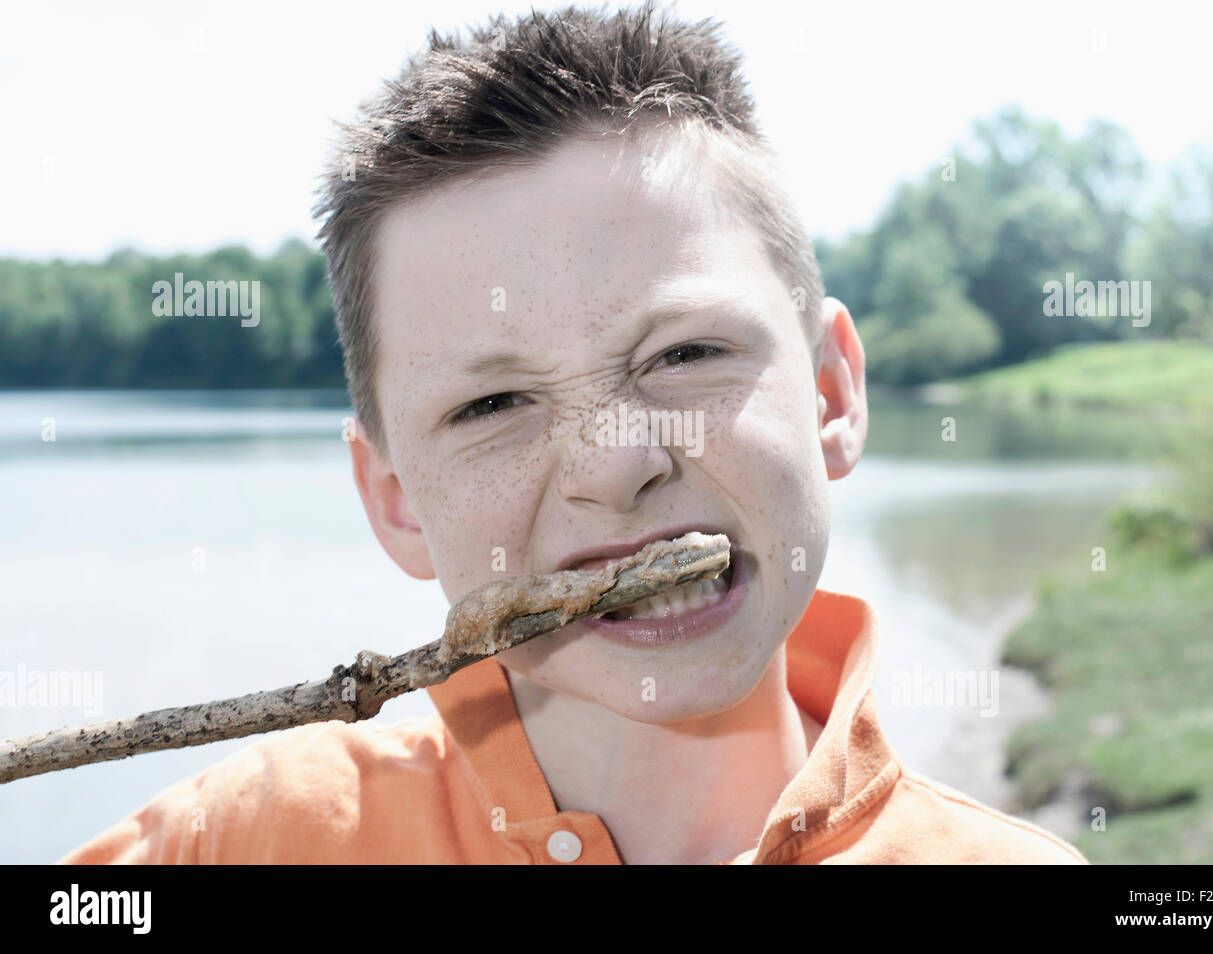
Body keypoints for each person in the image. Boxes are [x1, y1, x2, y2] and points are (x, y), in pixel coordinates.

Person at [60, 1, 1086, 865]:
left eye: (684, 354)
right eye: (492, 406)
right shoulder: (254, 841)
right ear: (397, 503)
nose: (620, 466)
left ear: (828, 390)